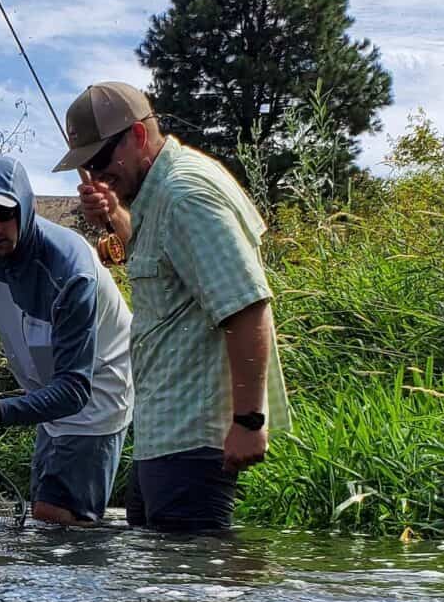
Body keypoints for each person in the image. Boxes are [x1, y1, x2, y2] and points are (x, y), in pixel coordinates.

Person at [53, 81, 290, 532]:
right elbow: (160, 262)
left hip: (194, 440)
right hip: (162, 435)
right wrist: (114, 216)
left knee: (202, 594)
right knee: (162, 590)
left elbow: (247, 305)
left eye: (102, 160)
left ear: (139, 137)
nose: (97, 174)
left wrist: (249, 419)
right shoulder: (156, 195)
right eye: (87, 165)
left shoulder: (187, 196)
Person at [0, 155, 133, 525]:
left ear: (25, 209)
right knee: (46, 519)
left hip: (97, 395)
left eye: (3, 214)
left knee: (58, 518)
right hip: (48, 394)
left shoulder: (71, 271)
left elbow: (75, 390)